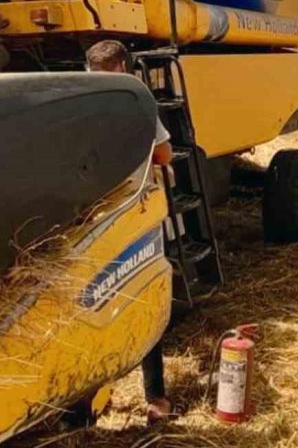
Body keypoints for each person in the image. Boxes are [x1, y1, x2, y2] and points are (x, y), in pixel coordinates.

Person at [86, 40, 174, 424]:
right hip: (127, 215)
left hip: (103, 220)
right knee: (139, 301)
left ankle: (88, 403)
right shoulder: (136, 103)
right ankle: (151, 397)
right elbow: (165, 155)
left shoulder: (80, 108)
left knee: (99, 303)